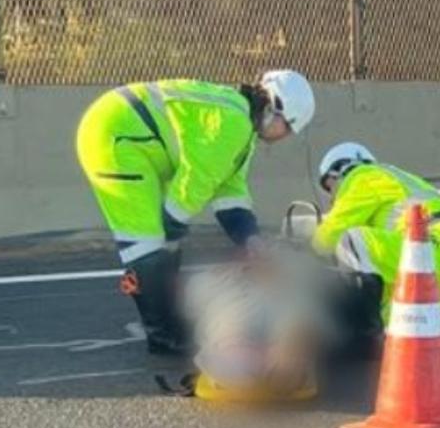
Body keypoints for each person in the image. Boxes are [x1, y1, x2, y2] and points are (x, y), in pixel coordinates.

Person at [76, 69, 315, 354]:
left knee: (164, 241)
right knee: (146, 244)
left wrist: (250, 239)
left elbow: (229, 190)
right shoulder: (234, 122)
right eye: (287, 127)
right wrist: (174, 221)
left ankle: (168, 322)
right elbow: (197, 178)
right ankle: (162, 335)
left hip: (125, 131)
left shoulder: (239, 127)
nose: (284, 136)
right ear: (274, 109)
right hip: (117, 136)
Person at [311, 142, 440, 352]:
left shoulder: (363, 177)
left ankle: (366, 336)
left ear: (338, 172)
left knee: (351, 240)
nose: (333, 198)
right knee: (396, 322)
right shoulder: (398, 178)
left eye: (330, 187)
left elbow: (327, 237)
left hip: (436, 248)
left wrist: (302, 248)